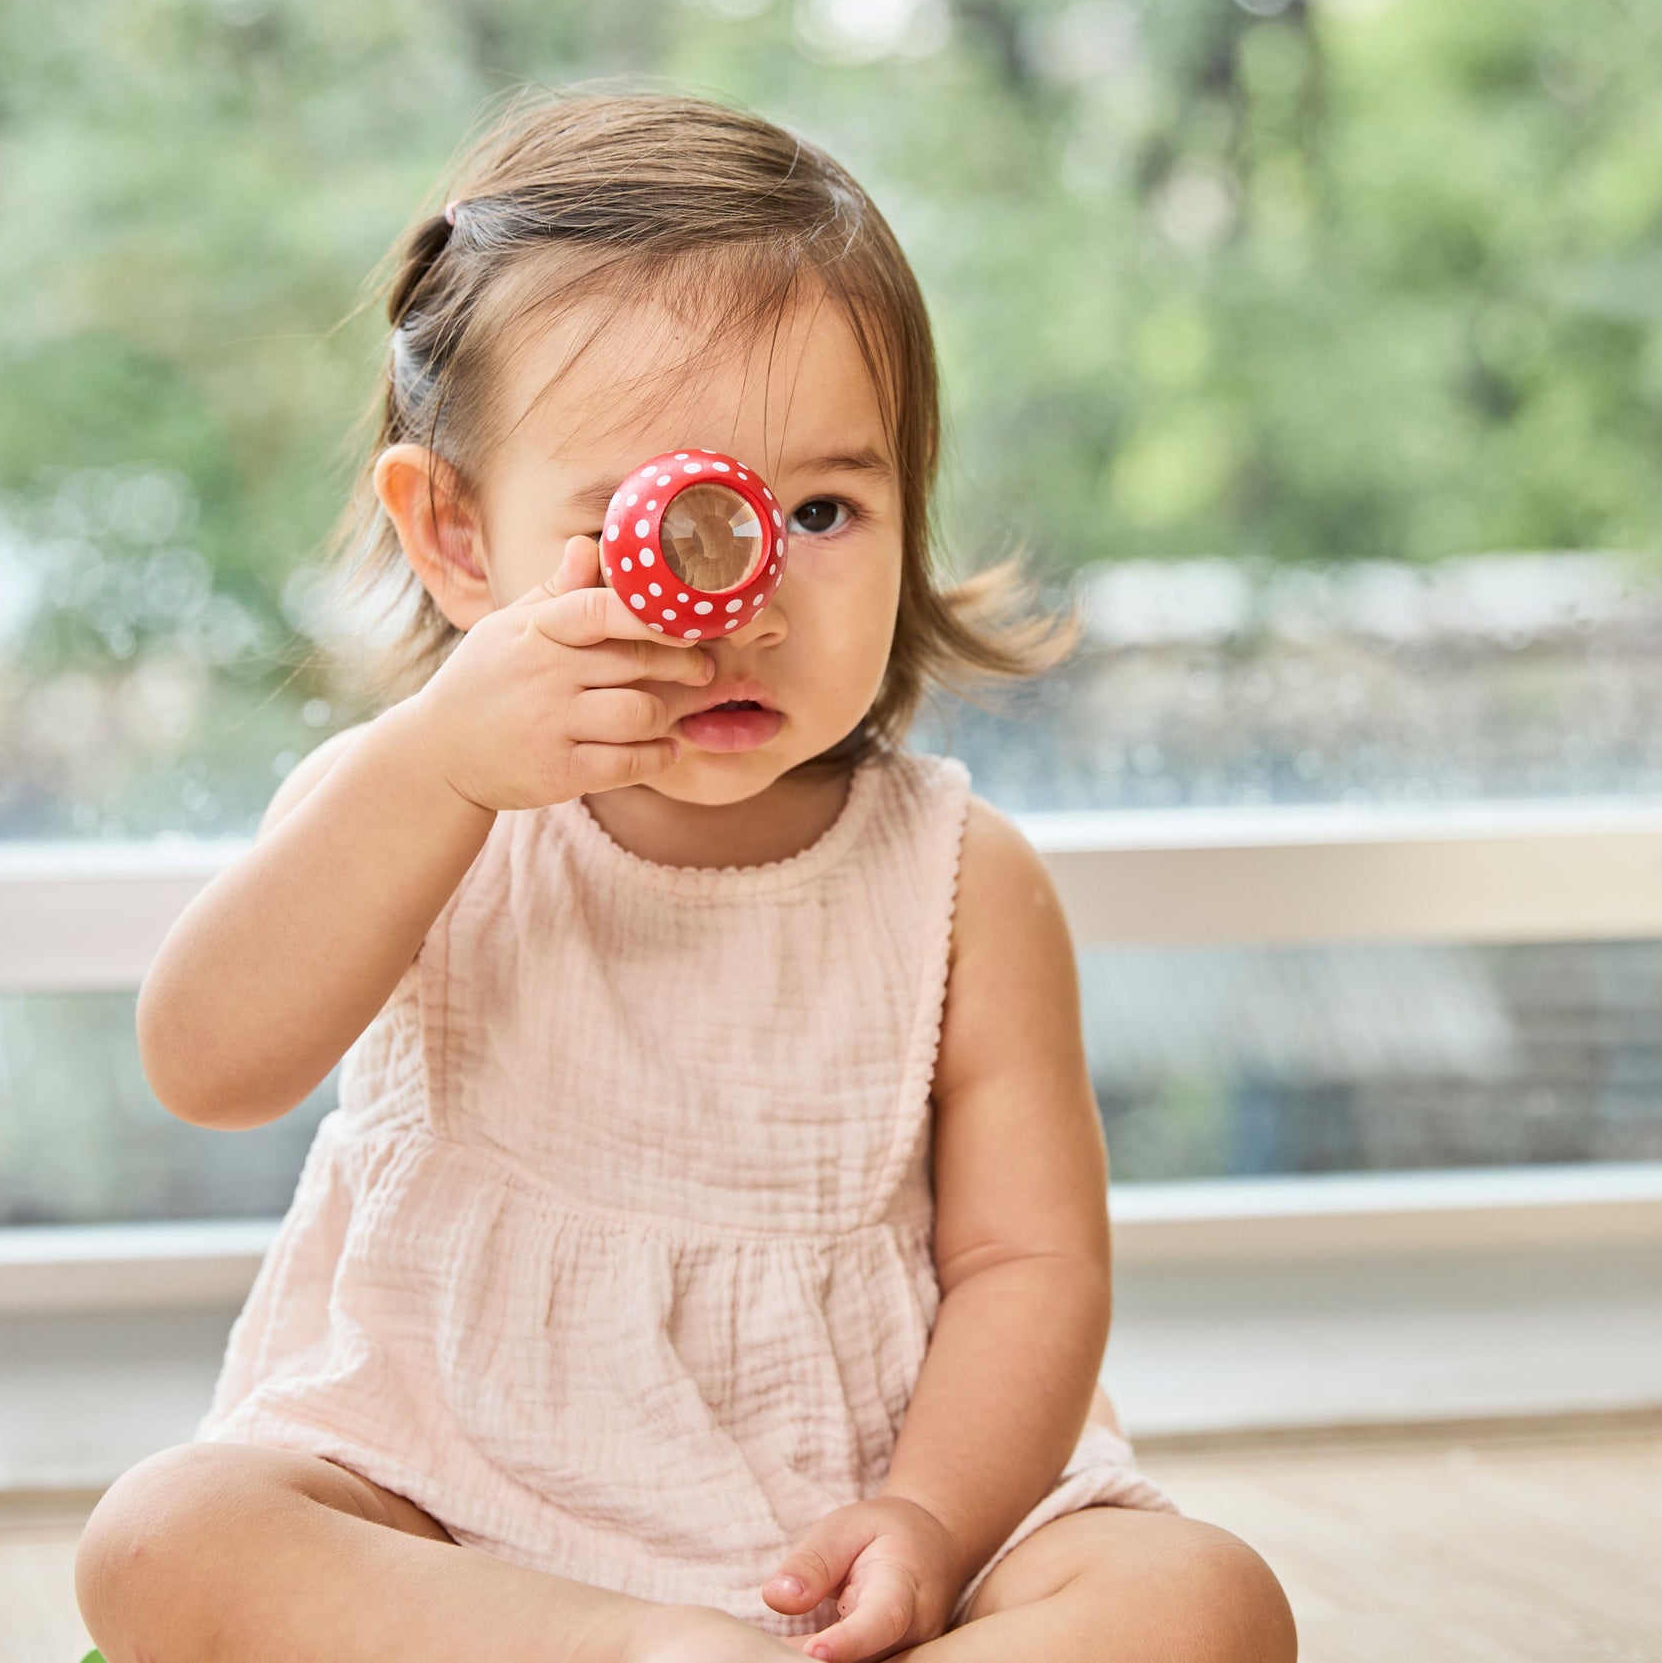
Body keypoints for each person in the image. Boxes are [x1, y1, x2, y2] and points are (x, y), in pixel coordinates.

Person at [75, 85, 1296, 1663]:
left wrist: (927, 1519)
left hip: (853, 1519)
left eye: (823, 509)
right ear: (458, 539)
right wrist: (438, 767)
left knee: (1203, 1600)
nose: (743, 593)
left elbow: (1027, 1264)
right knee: (169, 1535)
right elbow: (206, 1064)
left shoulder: (960, 882)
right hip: (462, 1506)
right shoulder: (421, 807)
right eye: (658, 524)